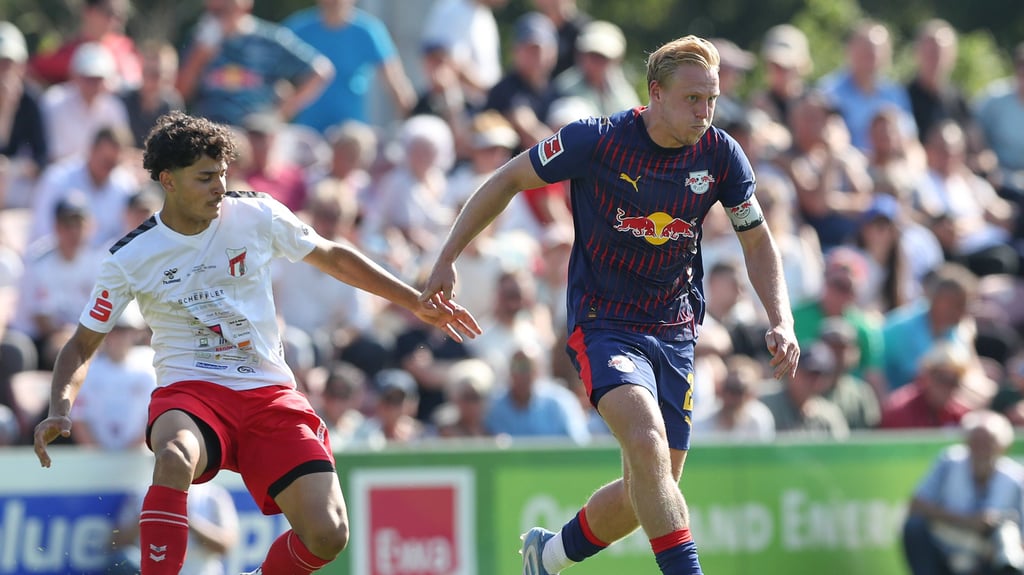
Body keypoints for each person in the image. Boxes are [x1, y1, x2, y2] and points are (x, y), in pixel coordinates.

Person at [31, 111, 480, 575]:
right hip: (192, 393)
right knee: (175, 455)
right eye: (205, 178)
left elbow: (333, 256)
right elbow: (81, 345)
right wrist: (60, 407)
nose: (219, 187)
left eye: (222, 174)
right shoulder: (130, 256)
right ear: (168, 180)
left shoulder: (257, 213)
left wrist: (413, 301)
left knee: (328, 534)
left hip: (267, 392)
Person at [421, 34, 799, 575]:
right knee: (646, 443)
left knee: (651, 484)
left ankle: (547, 555)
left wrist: (781, 319)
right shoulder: (595, 140)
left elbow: (757, 241)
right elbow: (507, 179)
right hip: (604, 324)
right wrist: (447, 257)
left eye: (712, 99)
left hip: (675, 329)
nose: (705, 111)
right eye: (693, 98)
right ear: (655, 93)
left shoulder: (720, 154)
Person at [902, 410, 1024, 575]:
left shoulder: (1015, 478)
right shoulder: (950, 462)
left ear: (1003, 447)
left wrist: (999, 536)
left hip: (989, 559)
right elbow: (916, 505)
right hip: (947, 546)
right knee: (915, 526)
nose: (982, 449)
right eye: (976, 441)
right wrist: (968, 521)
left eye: (989, 442)